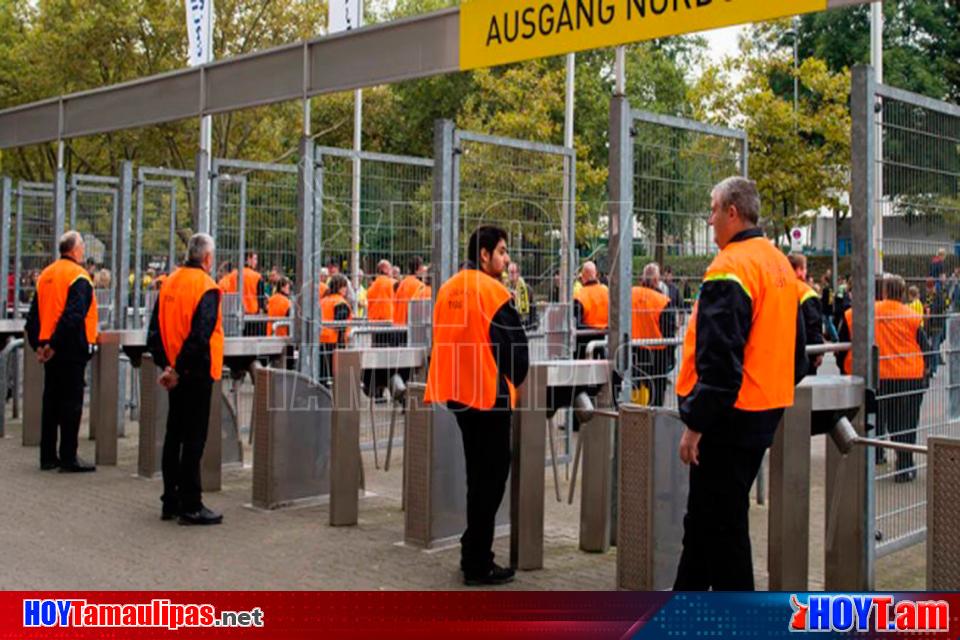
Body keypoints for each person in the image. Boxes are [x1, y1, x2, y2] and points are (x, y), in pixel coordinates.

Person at [673, 177, 806, 591]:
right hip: (762, 414)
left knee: (719, 531)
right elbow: (798, 352)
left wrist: (697, 425)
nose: (710, 220)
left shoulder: (731, 266)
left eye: (713, 210)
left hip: (727, 421)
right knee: (714, 525)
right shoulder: (779, 263)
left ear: (732, 212)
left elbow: (719, 360)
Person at [424, 225, 529, 586]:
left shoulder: (448, 289)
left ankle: (473, 549)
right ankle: (477, 560)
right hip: (488, 395)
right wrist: (514, 379)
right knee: (493, 476)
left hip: (456, 393)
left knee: (478, 476)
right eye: (501, 251)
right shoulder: (493, 291)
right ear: (483, 254)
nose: (506, 258)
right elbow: (516, 353)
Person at [146, 233, 224, 525]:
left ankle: (171, 499)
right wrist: (178, 369)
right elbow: (200, 335)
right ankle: (191, 503)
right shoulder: (207, 287)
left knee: (174, 434)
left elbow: (154, 331)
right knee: (194, 438)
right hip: (196, 372)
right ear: (207, 258)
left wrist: (166, 366)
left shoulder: (169, 282)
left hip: (174, 374)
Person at [838, 275, 931, 482]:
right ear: (903, 292)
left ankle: (876, 455)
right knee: (905, 424)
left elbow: (842, 348)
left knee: (876, 418)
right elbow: (926, 348)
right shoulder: (911, 317)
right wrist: (926, 374)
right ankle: (904, 465)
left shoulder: (856, 315)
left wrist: (844, 371)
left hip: (875, 378)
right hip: (908, 376)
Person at [25, 231, 99, 473]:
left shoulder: (46, 275)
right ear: (76, 250)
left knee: (51, 402)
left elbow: (33, 318)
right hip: (70, 348)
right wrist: (55, 344)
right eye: (82, 248)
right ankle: (69, 456)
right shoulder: (79, 276)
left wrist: (40, 345)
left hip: (49, 350)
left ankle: (47, 456)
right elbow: (74, 315)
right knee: (71, 403)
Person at [631, 263, 677, 407]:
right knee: (656, 394)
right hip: (657, 354)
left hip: (634, 350)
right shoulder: (662, 301)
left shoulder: (630, 294)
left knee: (635, 392)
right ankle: (654, 425)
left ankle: (633, 422)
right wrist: (671, 356)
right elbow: (669, 333)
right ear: (657, 280)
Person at [788, 253, 824, 376]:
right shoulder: (806, 292)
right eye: (805, 268)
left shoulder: (779, 288)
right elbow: (813, 324)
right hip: (804, 354)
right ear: (799, 270)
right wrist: (818, 352)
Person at [220, 252, 265, 336]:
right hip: (252, 316)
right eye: (255, 259)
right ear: (248, 259)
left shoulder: (233, 275)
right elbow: (260, 299)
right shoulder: (257, 277)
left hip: (236, 314)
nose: (256, 262)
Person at [318, 274, 352, 384]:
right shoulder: (340, 302)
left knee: (322, 375)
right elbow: (340, 324)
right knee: (336, 376)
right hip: (334, 341)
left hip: (320, 339)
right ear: (340, 287)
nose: (346, 290)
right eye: (345, 287)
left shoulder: (323, 300)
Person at [572, 261, 609, 359]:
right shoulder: (606, 291)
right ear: (596, 275)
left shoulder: (579, 295)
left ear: (583, 277)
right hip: (603, 338)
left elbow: (576, 323)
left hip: (584, 341)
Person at [367, 260, 397, 347]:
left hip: (374, 324)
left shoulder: (372, 286)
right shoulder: (392, 283)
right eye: (390, 268)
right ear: (385, 269)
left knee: (377, 349)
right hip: (389, 322)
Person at [393, 256, 427, 331]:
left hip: (397, 325)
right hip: (408, 327)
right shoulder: (419, 285)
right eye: (421, 268)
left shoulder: (402, 283)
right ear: (417, 270)